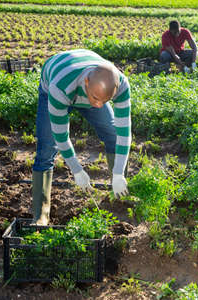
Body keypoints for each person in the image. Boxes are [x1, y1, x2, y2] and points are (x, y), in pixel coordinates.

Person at [31, 49, 131, 225]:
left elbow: (124, 133)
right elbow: (60, 135)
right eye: (95, 99)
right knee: (47, 146)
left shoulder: (121, 85)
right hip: (57, 81)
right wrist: (76, 169)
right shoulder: (60, 87)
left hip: (88, 82)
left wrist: (118, 173)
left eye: (105, 101)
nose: (99, 106)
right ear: (86, 82)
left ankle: (119, 197)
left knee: (112, 134)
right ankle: (41, 214)